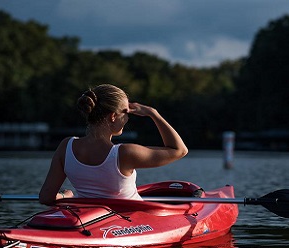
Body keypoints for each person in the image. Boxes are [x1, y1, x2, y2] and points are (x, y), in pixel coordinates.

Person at [39, 84, 188, 205]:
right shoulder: (124, 153)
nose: (127, 118)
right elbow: (179, 150)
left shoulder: (66, 147)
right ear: (113, 116)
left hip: (92, 221)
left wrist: (66, 197)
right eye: (126, 112)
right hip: (130, 224)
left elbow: (46, 197)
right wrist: (153, 113)